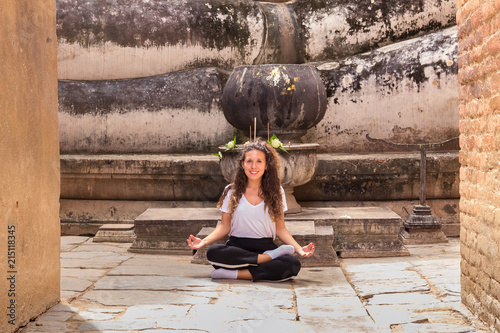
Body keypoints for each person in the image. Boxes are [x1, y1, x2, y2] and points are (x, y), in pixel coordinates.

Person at [186, 139, 314, 281]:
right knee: (213, 252)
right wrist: (203, 242)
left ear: (266, 165)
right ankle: (264, 260)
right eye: (249, 161)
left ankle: (235, 274)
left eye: (259, 161)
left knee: (292, 264)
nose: (254, 166)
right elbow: (224, 225)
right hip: (237, 248)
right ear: (242, 164)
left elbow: (280, 229)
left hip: (265, 246)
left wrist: (298, 248)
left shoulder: (277, 191)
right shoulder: (231, 191)